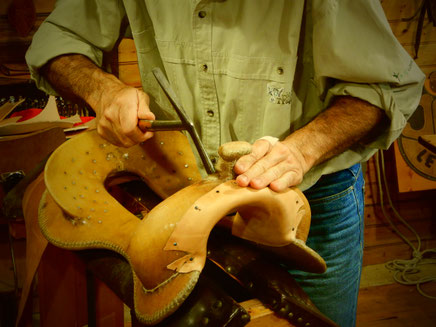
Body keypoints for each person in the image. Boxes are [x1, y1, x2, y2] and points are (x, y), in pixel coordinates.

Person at [25, 1, 425, 326]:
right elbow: (58, 41)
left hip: (312, 198)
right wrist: (103, 90)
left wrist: (302, 150)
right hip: (179, 195)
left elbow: (381, 85)